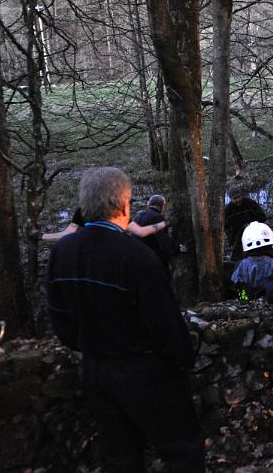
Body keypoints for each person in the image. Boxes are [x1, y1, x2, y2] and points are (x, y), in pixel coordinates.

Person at [46, 167, 204, 472]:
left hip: (95, 372)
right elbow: (167, 327)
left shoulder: (61, 253)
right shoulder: (136, 257)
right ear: (123, 206)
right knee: (182, 451)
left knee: (120, 458)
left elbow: (61, 322)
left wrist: (90, 349)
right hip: (146, 372)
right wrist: (183, 363)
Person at [41, 207, 166, 242]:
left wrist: (41, 236)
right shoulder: (118, 211)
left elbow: (67, 234)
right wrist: (165, 223)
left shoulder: (84, 210)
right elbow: (141, 232)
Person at [230, 221, 273, 301]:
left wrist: (244, 300)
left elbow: (237, 286)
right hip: (272, 300)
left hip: (247, 302)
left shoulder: (241, 265)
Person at [133, 194, 178, 270]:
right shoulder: (157, 217)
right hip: (153, 259)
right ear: (162, 206)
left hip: (139, 257)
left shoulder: (139, 217)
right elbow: (163, 240)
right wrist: (177, 248)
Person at [224, 185, 266, 261]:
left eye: (239, 197)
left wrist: (251, 224)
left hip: (254, 232)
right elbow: (226, 227)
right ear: (230, 199)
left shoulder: (250, 203)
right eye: (235, 198)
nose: (238, 200)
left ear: (241, 195)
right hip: (238, 236)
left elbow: (262, 217)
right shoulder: (228, 210)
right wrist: (231, 240)